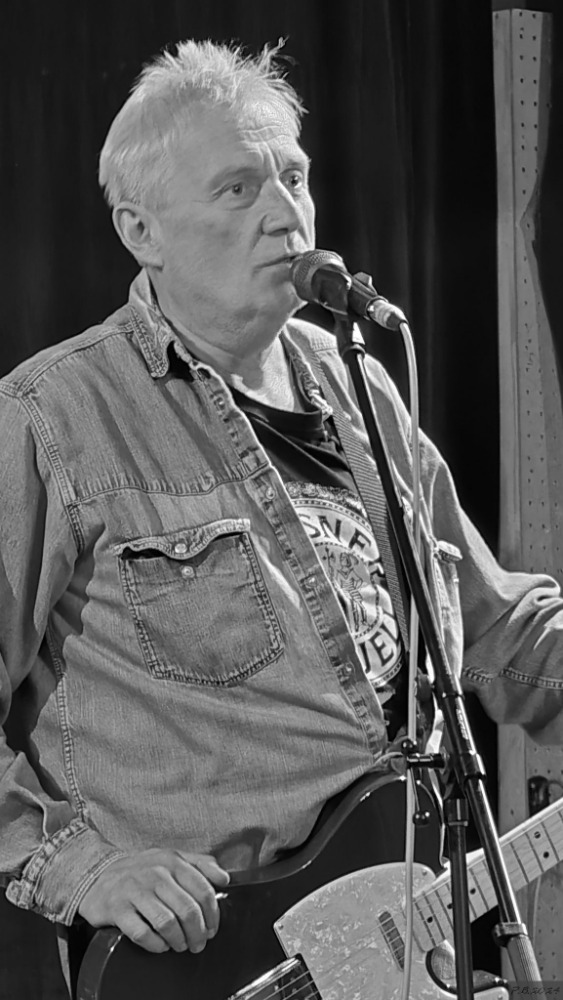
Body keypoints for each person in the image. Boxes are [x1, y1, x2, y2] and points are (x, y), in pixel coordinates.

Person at [2, 37, 563, 984]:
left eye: (293, 178)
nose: (286, 214)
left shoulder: (360, 387)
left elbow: (496, 630)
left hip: (405, 947)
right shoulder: (54, 415)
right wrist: (77, 867)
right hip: (204, 962)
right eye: (237, 189)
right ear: (141, 231)